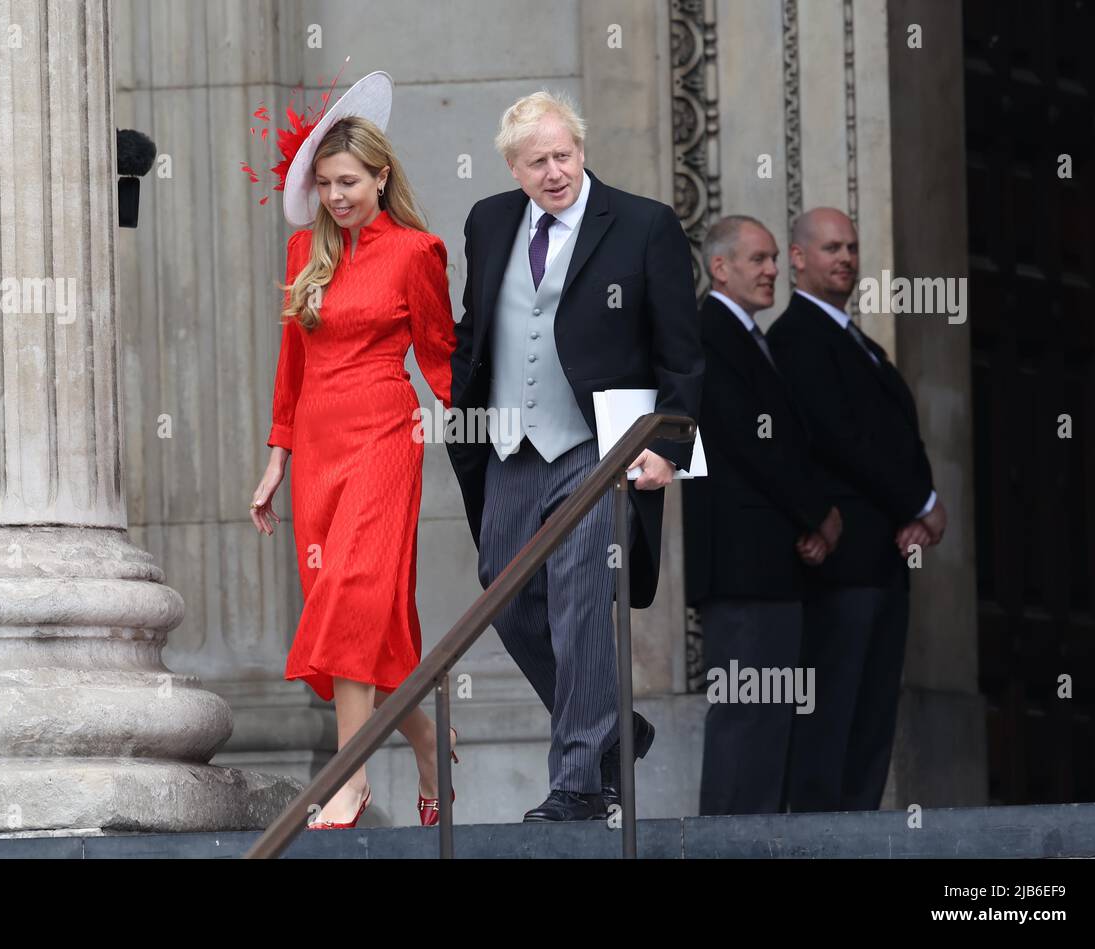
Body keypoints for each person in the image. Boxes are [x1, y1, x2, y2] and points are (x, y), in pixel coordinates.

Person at [446, 90, 703, 821]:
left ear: (581, 150)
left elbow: (682, 352)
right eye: (538, 162)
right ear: (513, 167)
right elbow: (479, 326)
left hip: (601, 445)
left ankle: (580, 783)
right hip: (509, 445)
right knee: (504, 588)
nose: (555, 171)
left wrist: (669, 446)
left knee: (582, 600)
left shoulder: (645, 224)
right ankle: (621, 728)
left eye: (564, 155)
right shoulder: (489, 221)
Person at [249, 73, 459, 829]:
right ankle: (431, 742)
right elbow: (291, 363)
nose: (336, 196)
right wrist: (276, 459)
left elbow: (441, 357)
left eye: (349, 182)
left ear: (381, 176)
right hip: (317, 441)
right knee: (359, 619)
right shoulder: (306, 247)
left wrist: (485, 436)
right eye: (326, 184)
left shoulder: (416, 251)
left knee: (347, 595)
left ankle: (348, 777)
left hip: (384, 433)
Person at [767, 207, 946, 812]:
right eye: (830, 248)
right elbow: (839, 437)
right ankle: (821, 844)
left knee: (871, 716)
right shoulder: (794, 338)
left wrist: (916, 513)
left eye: (851, 247)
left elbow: (895, 435)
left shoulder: (860, 342)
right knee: (832, 711)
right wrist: (921, 503)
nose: (844, 258)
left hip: (886, 557)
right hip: (841, 563)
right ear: (798, 258)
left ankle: (860, 837)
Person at [684, 215, 840, 815]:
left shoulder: (750, 335)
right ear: (720, 267)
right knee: (746, 718)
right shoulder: (709, 332)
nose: (774, 270)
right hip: (742, 567)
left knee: (770, 721)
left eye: (776, 258)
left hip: (770, 564)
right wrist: (817, 514)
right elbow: (752, 439)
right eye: (759, 259)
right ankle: (723, 848)